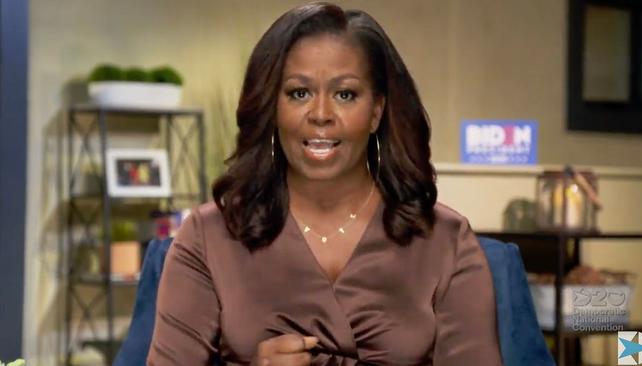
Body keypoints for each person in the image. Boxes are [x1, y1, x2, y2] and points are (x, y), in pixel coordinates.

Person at [147, 2, 502, 365]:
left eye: (345, 94)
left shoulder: (445, 241)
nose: (320, 114)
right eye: (299, 93)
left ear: (376, 112)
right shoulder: (209, 237)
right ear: (273, 107)